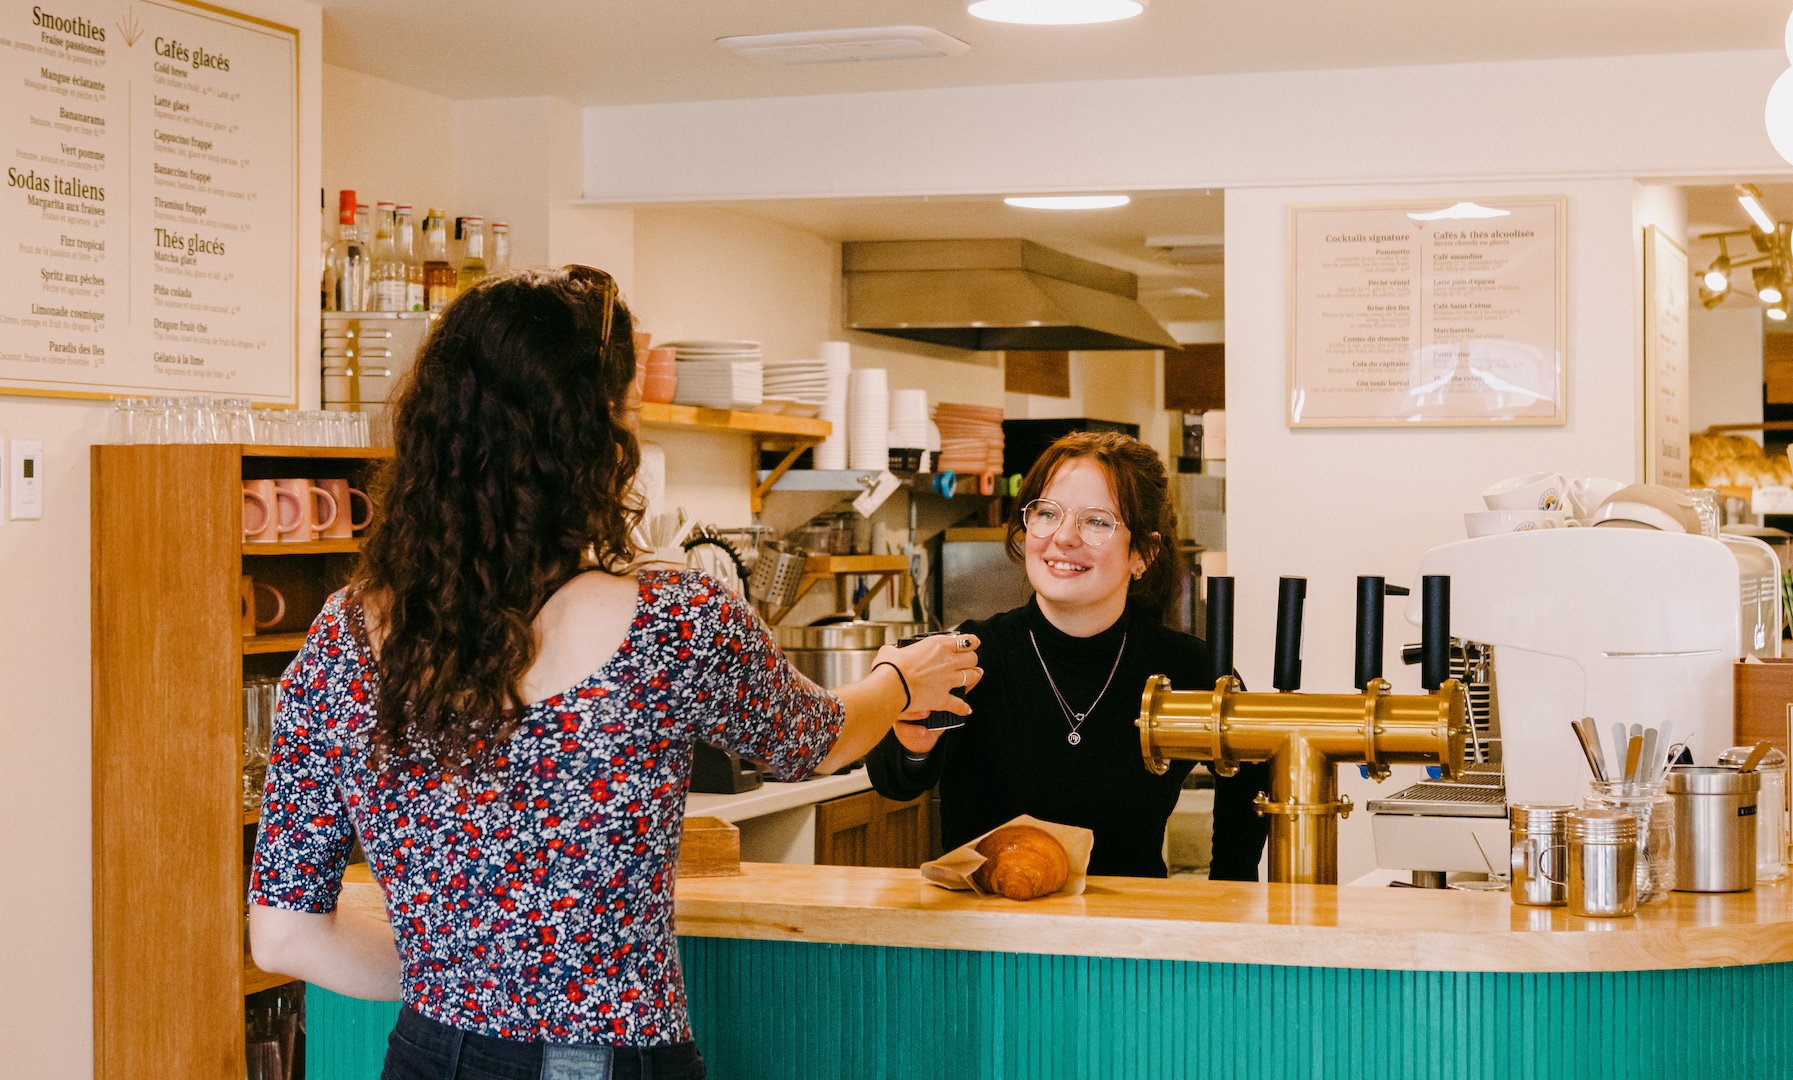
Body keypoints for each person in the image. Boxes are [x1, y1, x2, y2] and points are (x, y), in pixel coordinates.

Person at [244, 266, 980, 1079]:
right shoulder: (672, 620)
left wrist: (466, 984)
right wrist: (900, 679)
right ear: (592, 439)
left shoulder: (340, 636)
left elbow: (283, 934)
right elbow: (818, 738)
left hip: (428, 1058)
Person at [867, 431, 1266, 880]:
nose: (1063, 537)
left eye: (1097, 521)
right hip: (987, 931)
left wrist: (1229, 890)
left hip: (1127, 935)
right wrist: (912, 745)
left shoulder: (1184, 667)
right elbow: (894, 782)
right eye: (1046, 513)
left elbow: (1250, 770)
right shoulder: (971, 654)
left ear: (1144, 554)